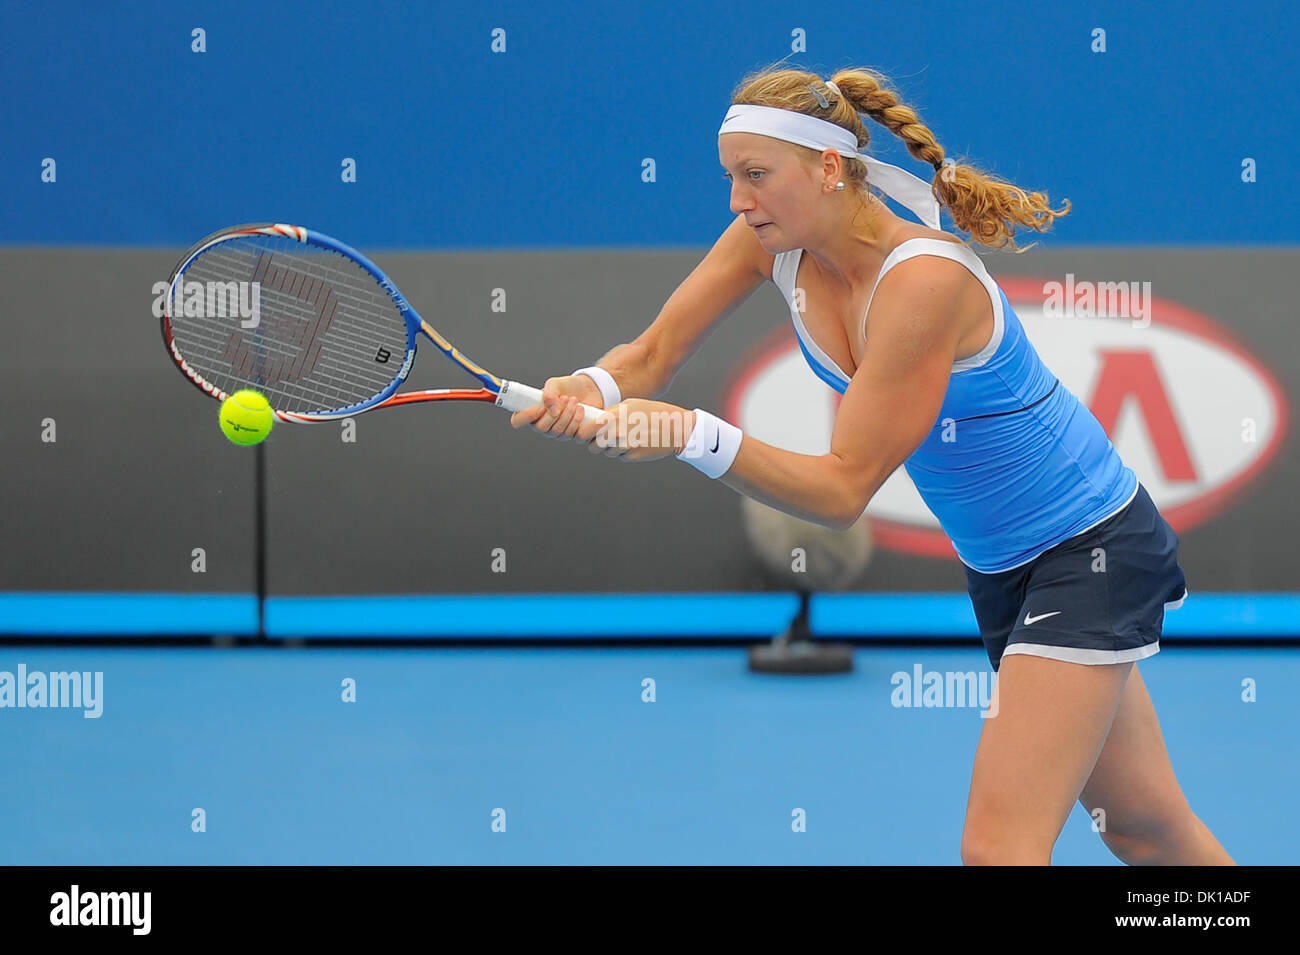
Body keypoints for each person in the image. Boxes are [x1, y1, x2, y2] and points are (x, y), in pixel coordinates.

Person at [511, 64, 1233, 866]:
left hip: (1089, 552)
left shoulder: (923, 281)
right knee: (1146, 829)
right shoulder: (769, 243)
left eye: (756, 176)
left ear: (828, 167)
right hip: (1002, 567)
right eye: (730, 177)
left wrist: (688, 435)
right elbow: (651, 353)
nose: (736, 201)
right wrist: (588, 387)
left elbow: (844, 486)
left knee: (999, 850)